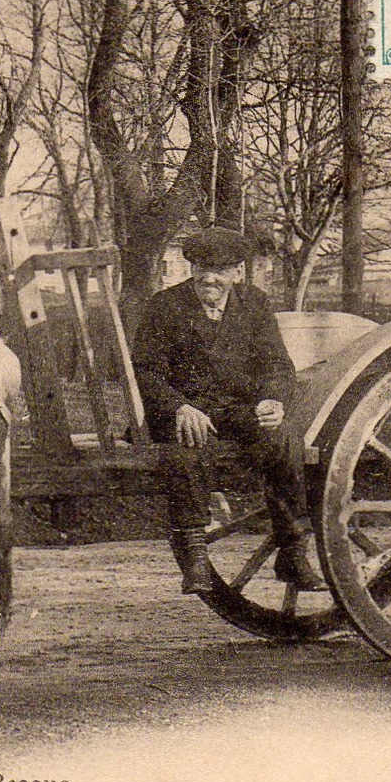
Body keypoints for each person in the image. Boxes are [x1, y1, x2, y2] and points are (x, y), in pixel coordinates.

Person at [132, 227, 327, 596]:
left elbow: (277, 365)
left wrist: (273, 400)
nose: (209, 277)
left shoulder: (254, 303)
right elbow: (145, 370)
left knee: (285, 441)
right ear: (192, 268)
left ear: (237, 272)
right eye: (202, 267)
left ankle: (293, 551)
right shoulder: (165, 306)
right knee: (185, 452)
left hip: (237, 411)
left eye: (220, 270)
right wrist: (178, 406)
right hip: (182, 413)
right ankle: (194, 558)